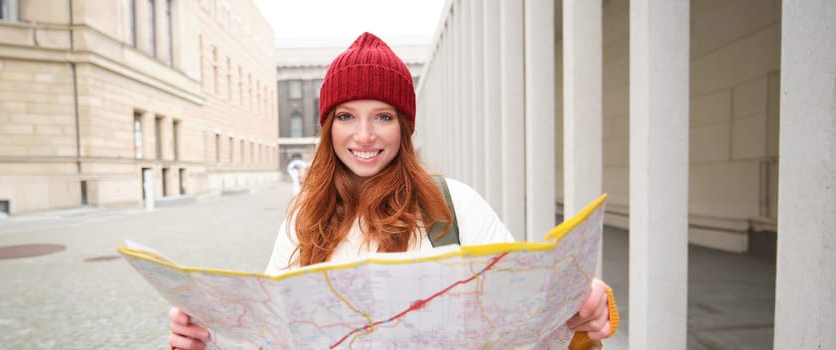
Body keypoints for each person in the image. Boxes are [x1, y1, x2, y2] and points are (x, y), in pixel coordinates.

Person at [168, 32, 619, 350]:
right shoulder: (301, 220)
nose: (364, 135)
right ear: (327, 127)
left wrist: (579, 304)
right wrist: (205, 344)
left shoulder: (454, 205)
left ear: (404, 126)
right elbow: (274, 338)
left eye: (382, 116)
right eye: (346, 116)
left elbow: (527, 317)